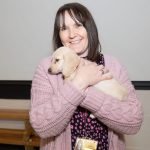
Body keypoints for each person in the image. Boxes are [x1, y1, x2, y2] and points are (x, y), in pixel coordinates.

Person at [29, 2, 143, 150]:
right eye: (64, 28)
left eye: (78, 25)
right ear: (58, 34)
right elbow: (41, 126)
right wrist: (79, 82)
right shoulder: (47, 68)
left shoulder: (113, 64)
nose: (71, 34)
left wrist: (88, 92)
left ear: (88, 28)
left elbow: (134, 121)